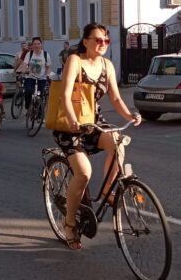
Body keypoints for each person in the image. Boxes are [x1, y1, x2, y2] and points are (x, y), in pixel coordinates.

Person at [53, 23, 141, 250]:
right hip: (70, 126)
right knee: (83, 173)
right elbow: (64, 94)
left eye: (106, 41)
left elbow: (115, 98)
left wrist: (130, 114)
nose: (102, 44)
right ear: (86, 41)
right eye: (97, 40)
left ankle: (106, 192)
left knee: (118, 145)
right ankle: (70, 223)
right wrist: (73, 121)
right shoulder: (75, 61)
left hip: (93, 123)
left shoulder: (107, 65)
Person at [23, 37, 51, 109]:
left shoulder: (45, 54)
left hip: (42, 78)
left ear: (41, 45)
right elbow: (24, 64)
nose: (36, 46)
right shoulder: (29, 54)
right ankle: (28, 106)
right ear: (32, 45)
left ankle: (40, 115)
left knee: (40, 95)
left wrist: (47, 75)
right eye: (35, 44)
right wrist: (25, 70)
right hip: (31, 77)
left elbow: (48, 67)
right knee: (28, 91)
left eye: (38, 44)